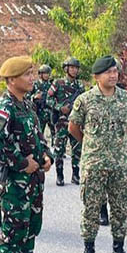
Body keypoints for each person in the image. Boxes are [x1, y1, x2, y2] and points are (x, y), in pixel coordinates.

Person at [0, 56, 54, 253]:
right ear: (12, 80)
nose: (32, 78)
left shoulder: (26, 105)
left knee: (30, 226)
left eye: (32, 73)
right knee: (13, 230)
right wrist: (21, 163)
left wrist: (47, 156)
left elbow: (39, 137)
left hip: (33, 182)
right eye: (27, 74)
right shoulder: (4, 107)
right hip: (15, 182)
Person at [69, 56, 127, 253]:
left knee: (120, 208)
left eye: (115, 71)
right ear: (97, 76)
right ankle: (89, 250)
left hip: (118, 165)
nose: (113, 75)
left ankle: (119, 249)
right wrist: (90, 145)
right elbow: (73, 127)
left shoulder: (126, 99)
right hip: (94, 165)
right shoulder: (85, 100)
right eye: (108, 72)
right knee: (91, 208)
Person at [47, 57, 85, 186]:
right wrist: (59, 107)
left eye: (76, 68)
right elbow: (48, 99)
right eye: (72, 67)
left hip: (75, 122)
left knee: (77, 149)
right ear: (66, 68)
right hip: (61, 122)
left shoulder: (80, 85)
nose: (74, 70)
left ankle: (75, 175)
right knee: (59, 149)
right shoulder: (58, 83)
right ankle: (60, 176)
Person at [30, 64, 54, 139]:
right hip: (39, 112)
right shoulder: (35, 85)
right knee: (39, 133)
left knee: (54, 133)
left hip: (50, 112)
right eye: (45, 73)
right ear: (40, 74)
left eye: (48, 73)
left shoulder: (52, 85)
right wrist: (34, 97)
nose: (47, 75)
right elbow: (26, 97)